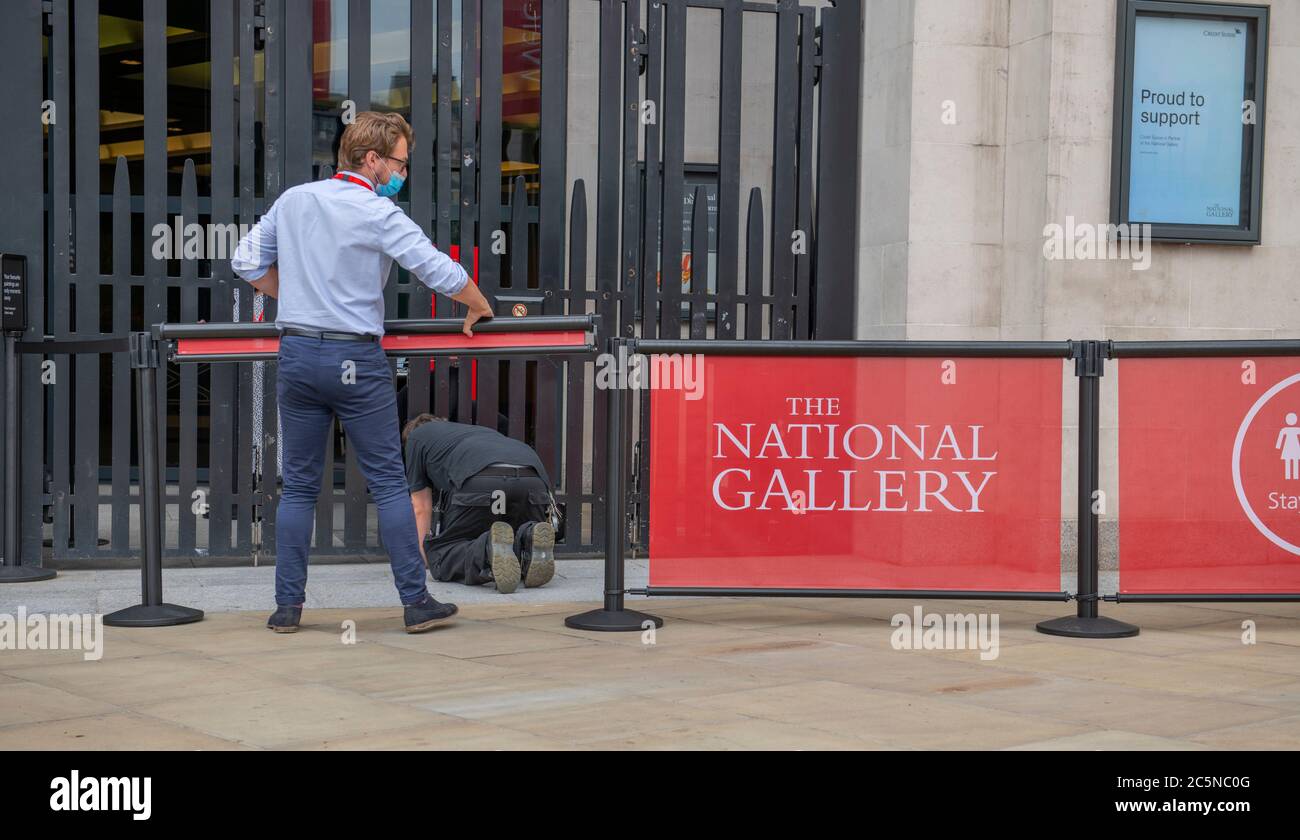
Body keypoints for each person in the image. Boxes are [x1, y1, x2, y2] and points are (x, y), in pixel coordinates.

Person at [230, 111, 495, 634]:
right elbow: (434, 267)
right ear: (371, 159)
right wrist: (477, 302)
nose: (401, 173)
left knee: (300, 487)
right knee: (391, 485)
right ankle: (416, 603)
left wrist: (298, 296)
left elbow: (245, 261)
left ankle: (287, 609)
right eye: (399, 162)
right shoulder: (377, 212)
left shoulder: (295, 200)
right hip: (356, 359)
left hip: (299, 354)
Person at [403, 414, 557, 593]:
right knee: (509, 535)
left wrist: (424, 554)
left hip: (480, 477)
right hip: (533, 479)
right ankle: (528, 540)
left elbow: (420, 507)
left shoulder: (416, 437)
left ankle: (486, 551)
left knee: (442, 554)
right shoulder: (478, 432)